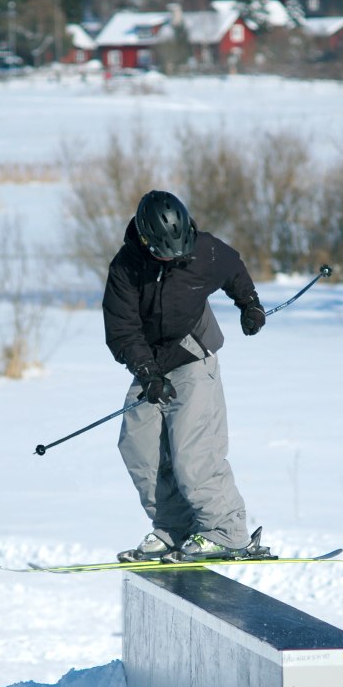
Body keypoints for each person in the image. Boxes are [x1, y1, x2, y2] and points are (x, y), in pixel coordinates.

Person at [102, 190, 266, 562]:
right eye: (165, 253)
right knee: (138, 445)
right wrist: (148, 373)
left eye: (180, 250)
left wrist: (250, 305)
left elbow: (233, 268)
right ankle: (175, 527)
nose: (175, 258)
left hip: (194, 355)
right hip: (151, 363)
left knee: (193, 450)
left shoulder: (203, 249)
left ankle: (227, 530)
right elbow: (122, 330)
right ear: (145, 241)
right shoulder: (126, 268)